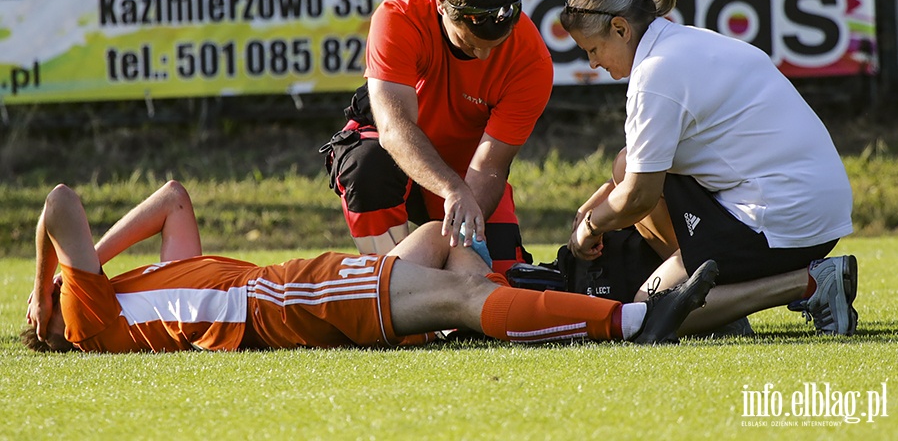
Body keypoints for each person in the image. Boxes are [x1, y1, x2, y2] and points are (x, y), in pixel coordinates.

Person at [23, 181, 719, 353]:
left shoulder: (133, 295)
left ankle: (528, 308)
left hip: (292, 292)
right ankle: (629, 320)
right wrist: (44, 291)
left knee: (433, 240)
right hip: (290, 300)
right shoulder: (88, 320)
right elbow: (59, 204)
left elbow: (173, 199)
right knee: (456, 298)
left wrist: (97, 274)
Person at [558, 0, 858, 336]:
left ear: (620, 29)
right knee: (625, 163)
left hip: (782, 222)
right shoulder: (687, 41)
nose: (593, 63)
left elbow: (639, 197)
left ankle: (808, 284)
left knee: (646, 313)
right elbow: (634, 168)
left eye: (593, 49)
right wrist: (600, 201)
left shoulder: (655, 73)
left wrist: (589, 228)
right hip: (813, 208)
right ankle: (715, 299)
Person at [320, 0, 554, 275]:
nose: (484, 57)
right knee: (366, 167)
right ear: (442, 5)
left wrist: (462, 233)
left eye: (495, 45)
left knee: (497, 280)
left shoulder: (532, 61)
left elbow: (491, 165)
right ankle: (384, 289)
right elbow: (393, 130)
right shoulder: (400, 14)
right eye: (471, 45)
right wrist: (452, 191)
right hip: (393, 153)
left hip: (466, 167)